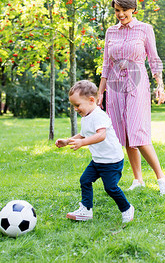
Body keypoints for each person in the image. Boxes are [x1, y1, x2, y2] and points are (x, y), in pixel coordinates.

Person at [97, 0, 165, 195]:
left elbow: (154, 59)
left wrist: (160, 85)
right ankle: (138, 180)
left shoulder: (144, 29)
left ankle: (162, 179)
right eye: (117, 11)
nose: (120, 15)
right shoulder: (111, 32)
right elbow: (106, 63)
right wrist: (100, 93)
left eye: (124, 10)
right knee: (125, 134)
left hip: (137, 83)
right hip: (114, 86)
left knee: (138, 132)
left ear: (133, 9)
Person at [55, 80, 134, 223]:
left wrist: (82, 143)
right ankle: (86, 210)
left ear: (91, 100)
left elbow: (101, 135)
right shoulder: (86, 116)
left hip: (111, 161)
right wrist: (67, 141)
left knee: (110, 188)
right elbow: (84, 134)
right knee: (85, 180)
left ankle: (127, 208)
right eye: (73, 106)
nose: (75, 109)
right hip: (98, 160)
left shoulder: (99, 115)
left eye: (77, 105)